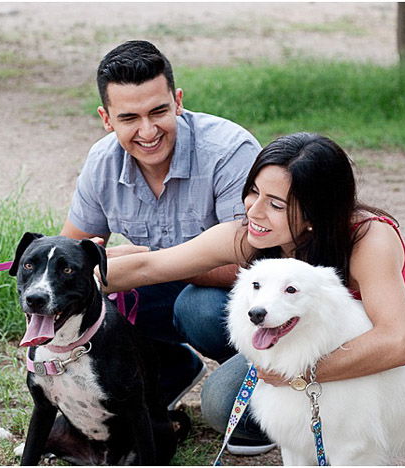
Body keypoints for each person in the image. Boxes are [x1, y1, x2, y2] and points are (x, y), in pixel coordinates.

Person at [101, 132, 405, 450]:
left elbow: (396, 343)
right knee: (197, 306)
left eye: (276, 204)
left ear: (315, 213)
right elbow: (152, 267)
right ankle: (294, 404)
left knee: (221, 403)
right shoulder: (254, 232)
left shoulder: (368, 239)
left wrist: (294, 375)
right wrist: (62, 280)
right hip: (307, 339)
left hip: (401, 369)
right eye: (254, 192)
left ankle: (303, 417)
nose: (254, 211)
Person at [59, 40, 269, 453]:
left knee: (197, 310)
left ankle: (261, 382)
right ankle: (169, 370)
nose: (148, 131)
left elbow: (254, 265)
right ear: (105, 119)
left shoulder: (229, 151)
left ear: (178, 100)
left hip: (246, 303)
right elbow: (70, 254)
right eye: (129, 118)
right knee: (100, 300)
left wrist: (145, 263)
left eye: (159, 111)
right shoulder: (101, 161)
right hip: (167, 292)